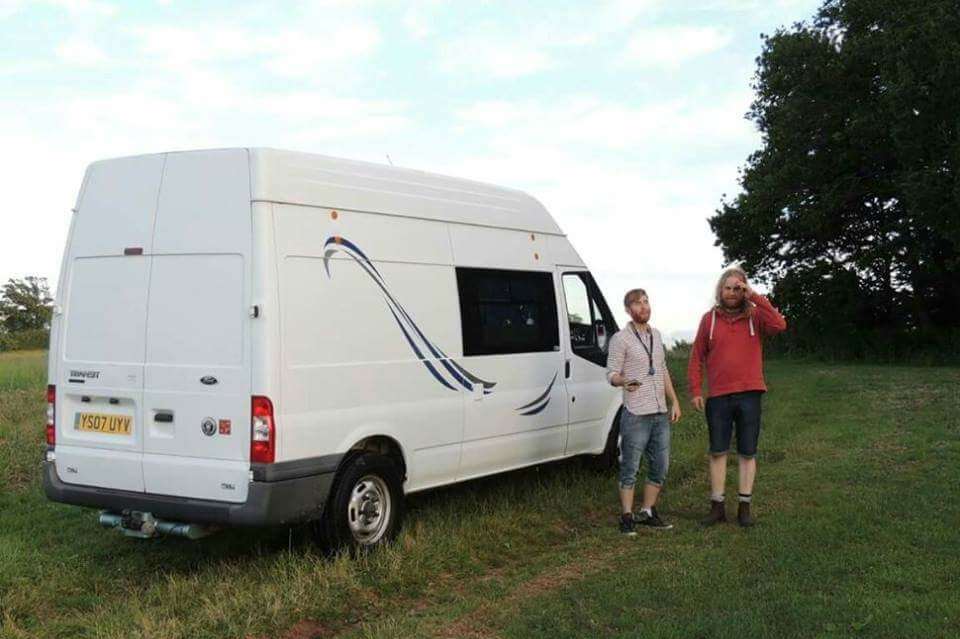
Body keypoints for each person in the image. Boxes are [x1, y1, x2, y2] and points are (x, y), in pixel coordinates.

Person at [687, 267, 787, 527]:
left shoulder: (755, 315)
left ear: (744, 290)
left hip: (750, 393)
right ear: (720, 290)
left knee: (747, 452)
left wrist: (754, 295)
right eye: (728, 288)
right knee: (718, 452)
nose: (732, 293)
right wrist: (696, 390)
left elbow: (779, 324)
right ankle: (717, 506)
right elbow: (697, 355)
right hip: (719, 395)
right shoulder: (708, 320)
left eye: (738, 288)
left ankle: (744, 507)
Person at [606, 288, 682, 536]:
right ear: (628, 310)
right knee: (630, 466)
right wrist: (623, 381)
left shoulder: (656, 335)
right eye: (637, 304)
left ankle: (648, 511)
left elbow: (661, 370)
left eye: (646, 302)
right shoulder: (621, 339)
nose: (643, 307)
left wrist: (674, 401)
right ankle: (626, 516)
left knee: (660, 466)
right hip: (636, 413)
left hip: (660, 412)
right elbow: (611, 373)